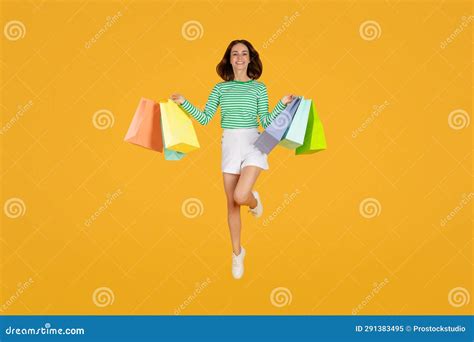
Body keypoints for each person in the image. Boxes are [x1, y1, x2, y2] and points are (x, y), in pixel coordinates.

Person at [170, 39, 295, 279]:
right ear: (229, 59)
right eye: (234, 53)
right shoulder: (220, 89)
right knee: (232, 205)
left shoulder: (259, 88)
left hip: (254, 143)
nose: (239, 57)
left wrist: (282, 103)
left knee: (241, 196)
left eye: (244, 53)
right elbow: (206, 118)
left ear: (250, 58)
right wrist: (184, 103)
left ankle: (254, 202)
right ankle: (237, 254)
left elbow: (267, 122)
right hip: (229, 144)